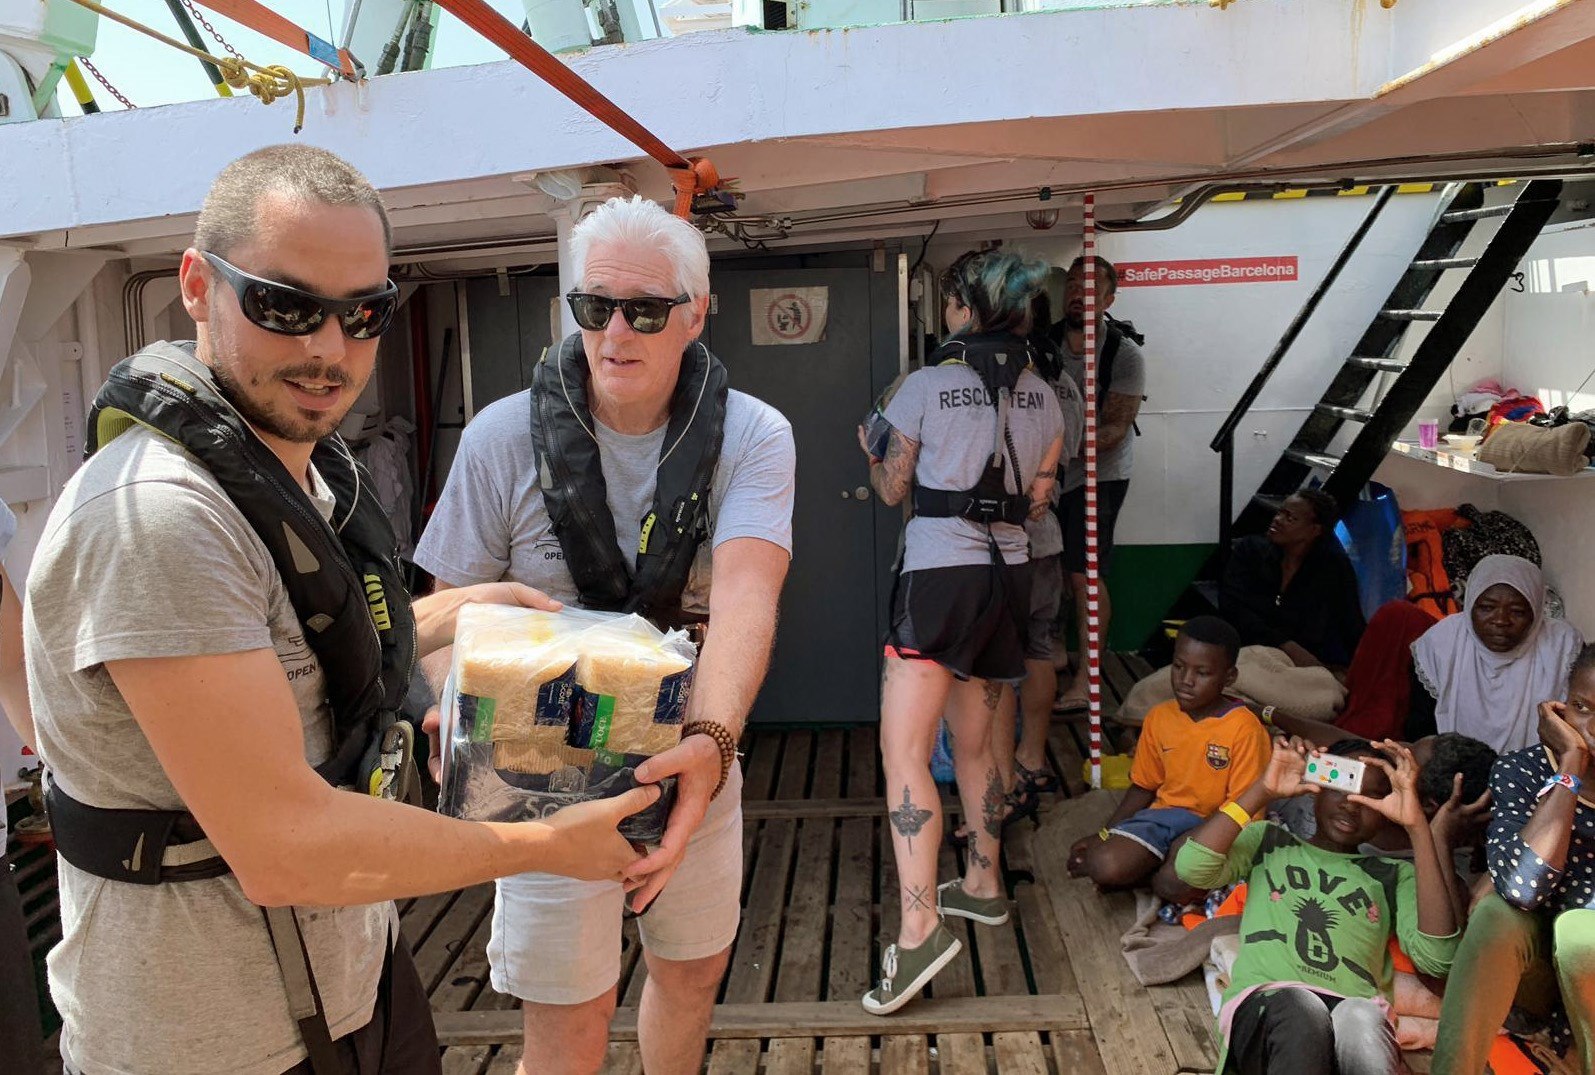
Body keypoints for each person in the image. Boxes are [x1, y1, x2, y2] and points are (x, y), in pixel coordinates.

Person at [23, 145, 659, 1075]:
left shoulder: (297, 482)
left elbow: (279, 652)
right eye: (285, 305)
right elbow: (284, 846)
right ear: (197, 286)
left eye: (364, 313)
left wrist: (452, 612)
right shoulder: (161, 519)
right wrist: (546, 843)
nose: (327, 347)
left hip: (358, 985)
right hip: (216, 1044)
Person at [413, 195, 794, 1074]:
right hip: (539, 776)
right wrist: (450, 713)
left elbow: (746, 594)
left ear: (695, 314)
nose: (616, 332)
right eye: (594, 306)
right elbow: (445, 618)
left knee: (691, 971)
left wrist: (710, 744)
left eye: (646, 310)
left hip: (691, 749)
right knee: (568, 1013)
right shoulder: (500, 437)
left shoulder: (753, 435)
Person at [857, 248, 1063, 1014]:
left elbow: (892, 489)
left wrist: (873, 454)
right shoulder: (1046, 396)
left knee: (904, 752)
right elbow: (1036, 502)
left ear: (967, 308)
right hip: (1008, 578)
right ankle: (981, 883)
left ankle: (919, 931)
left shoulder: (923, 385)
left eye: (949, 302)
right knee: (977, 746)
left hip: (939, 581)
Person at [1175, 736, 1461, 1075]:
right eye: (1342, 785)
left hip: (1354, 1012)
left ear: (1389, 809)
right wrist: (1262, 791)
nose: (1351, 805)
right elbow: (1191, 868)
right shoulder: (1269, 841)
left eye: (1370, 797)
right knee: (1301, 1008)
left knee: (1361, 1017)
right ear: (1318, 786)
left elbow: (1438, 958)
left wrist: (1417, 829)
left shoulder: (1393, 875)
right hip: (1272, 1006)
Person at [1431, 645, 1595, 1075]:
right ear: (1560, 708)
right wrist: (1570, 770)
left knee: (1579, 934)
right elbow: (1523, 888)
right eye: (1581, 707)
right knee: (1495, 916)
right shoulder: (1522, 770)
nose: (1591, 727)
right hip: (1539, 968)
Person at [1067, 616, 1271, 901]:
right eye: (1178, 667)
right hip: (1164, 818)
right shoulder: (1159, 717)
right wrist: (1104, 834)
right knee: (1101, 865)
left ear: (1229, 677)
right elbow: (1143, 786)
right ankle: (1155, 864)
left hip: (1216, 825)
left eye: (1202, 673)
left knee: (1172, 884)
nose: (1186, 681)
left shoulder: (1245, 729)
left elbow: (1246, 811)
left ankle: (1156, 869)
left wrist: (1199, 843)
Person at [1053, 255, 1145, 711]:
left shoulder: (1123, 354)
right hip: (1047, 475)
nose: (1078, 293)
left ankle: (1088, 680)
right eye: (1072, 284)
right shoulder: (1042, 342)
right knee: (1046, 564)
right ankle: (1053, 651)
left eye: (1090, 288)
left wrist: (1050, 451)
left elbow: (1114, 430)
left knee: (1084, 575)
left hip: (1097, 475)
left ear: (1108, 299)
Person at [1410, 554, 1584, 753]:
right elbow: (1421, 728)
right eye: (1487, 608)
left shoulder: (1562, 646)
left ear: (1535, 612)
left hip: (1540, 768)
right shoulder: (1442, 643)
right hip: (1454, 765)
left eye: (1517, 611)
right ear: (1470, 604)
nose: (1501, 620)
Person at [1220, 490, 1366, 670]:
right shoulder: (1251, 551)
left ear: (1315, 530)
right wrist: (1285, 645)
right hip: (1246, 653)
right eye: (1280, 512)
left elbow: (1351, 623)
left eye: (1290, 518)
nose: (1277, 519)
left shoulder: (1333, 567)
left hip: (1300, 665)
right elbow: (1232, 606)